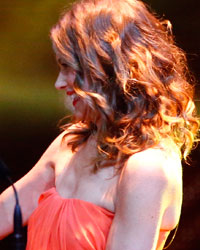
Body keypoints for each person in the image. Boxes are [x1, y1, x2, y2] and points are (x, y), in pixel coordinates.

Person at [0, 0, 199, 249]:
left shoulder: (147, 167)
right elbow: (5, 212)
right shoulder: (70, 143)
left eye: (68, 67)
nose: (59, 83)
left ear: (107, 69)